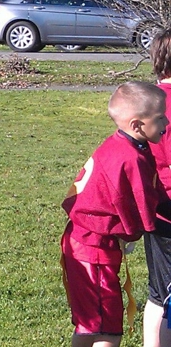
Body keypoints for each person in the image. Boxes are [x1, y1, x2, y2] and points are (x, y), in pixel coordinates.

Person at [60, 81, 170, 347]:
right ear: (137, 125)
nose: (167, 122)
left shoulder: (129, 146)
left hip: (91, 242)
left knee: (94, 323)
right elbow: (141, 205)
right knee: (104, 328)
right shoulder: (129, 157)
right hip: (92, 247)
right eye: (160, 119)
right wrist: (135, 232)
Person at [143, 28, 171, 347]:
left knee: (159, 291)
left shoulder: (145, 99)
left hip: (153, 206)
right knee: (168, 298)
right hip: (168, 210)